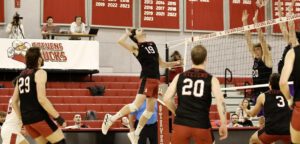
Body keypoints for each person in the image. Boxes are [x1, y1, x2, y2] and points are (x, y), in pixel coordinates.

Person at [101, 28, 180, 144]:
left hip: (155, 79)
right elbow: (120, 41)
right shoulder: (137, 47)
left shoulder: (152, 44)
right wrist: (127, 34)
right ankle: (110, 118)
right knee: (135, 106)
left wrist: (177, 63)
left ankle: (136, 134)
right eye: (137, 30)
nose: (141, 29)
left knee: (149, 111)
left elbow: (162, 63)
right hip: (147, 78)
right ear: (136, 36)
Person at [163, 45, 228, 144]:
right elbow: (220, 101)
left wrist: (177, 112)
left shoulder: (179, 76)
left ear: (191, 59)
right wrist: (223, 123)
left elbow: (167, 99)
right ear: (206, 59)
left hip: (181, 124)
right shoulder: (212, 79)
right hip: (201, 124)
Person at [11, 47, 67, 144]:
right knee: (60, 142)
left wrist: (22, 119)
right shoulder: (40, 72)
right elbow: (42, 99)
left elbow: (14, 101)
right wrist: (58, 118)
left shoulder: (20, 76)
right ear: (39, 59)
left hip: (27, 121)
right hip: (39, 117)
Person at [243, 73, 291, 144]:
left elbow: (252, 114)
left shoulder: (263, 96)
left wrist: (245, 109)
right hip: (287, 131)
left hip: (271, 131)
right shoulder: (288, 95)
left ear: (269, 84)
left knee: (253, 140)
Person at [242, 9, 273, 105]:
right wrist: (245, 22)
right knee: (260, 118)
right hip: (256, 92)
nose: (255, 51)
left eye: (258, 49)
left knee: (265, 118)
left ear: (263, 50)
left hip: (266, 92)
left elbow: (262, 40)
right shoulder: (256, 57)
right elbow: (248, 39)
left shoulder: (266, 58)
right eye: (255, 49)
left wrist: (256, 23)